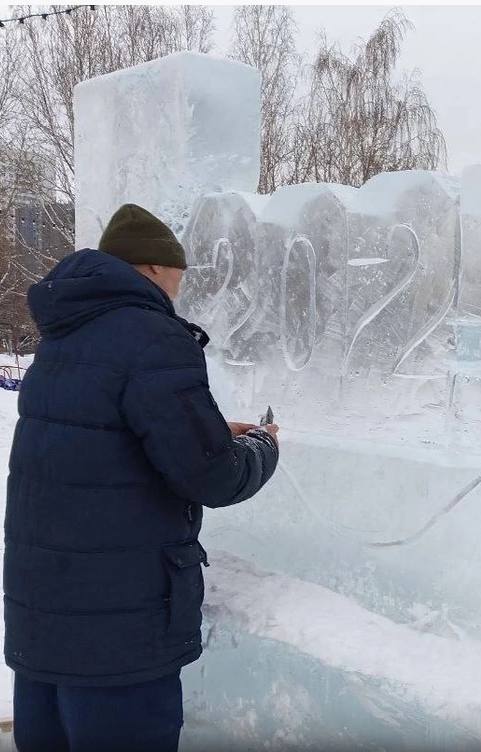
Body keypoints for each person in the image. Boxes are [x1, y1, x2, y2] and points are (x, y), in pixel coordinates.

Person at [4, 204, 280, 752]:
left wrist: (204, 427)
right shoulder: (153, 335)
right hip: (119, 628)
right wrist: (260, 447)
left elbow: (100, 433)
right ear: (152, 269)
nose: (182, 282)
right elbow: (212, 476)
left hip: (46, 613)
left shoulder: (65, 334)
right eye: (178, 269)